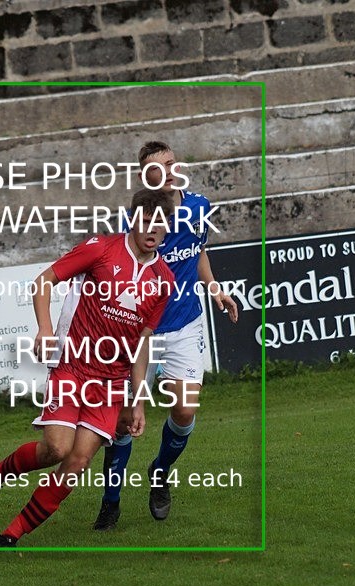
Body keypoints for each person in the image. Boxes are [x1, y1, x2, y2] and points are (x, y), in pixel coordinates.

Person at [0, 188, 175, 547]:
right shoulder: (101, 249)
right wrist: (45, 328)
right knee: (57, 450)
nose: (152, 229)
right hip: (72, 366)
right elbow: (44, 281)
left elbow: (143, 342)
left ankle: (12, 535)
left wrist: (137, 400)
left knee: (77, 462)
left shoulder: (163, 280)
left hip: (110, 382)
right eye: (146, 220)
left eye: (161, 223)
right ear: (133, 219)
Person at [93, 141, 239, 531]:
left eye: (173, 163)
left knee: (185, 411)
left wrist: (215, 290)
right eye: (158, 168)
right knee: (124, 423)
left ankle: (159, 472)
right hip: (142, 332)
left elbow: (198, 251)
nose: (170, 170)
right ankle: (111, 502)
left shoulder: (199, 207)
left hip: (186, 325)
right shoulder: (137, 219)